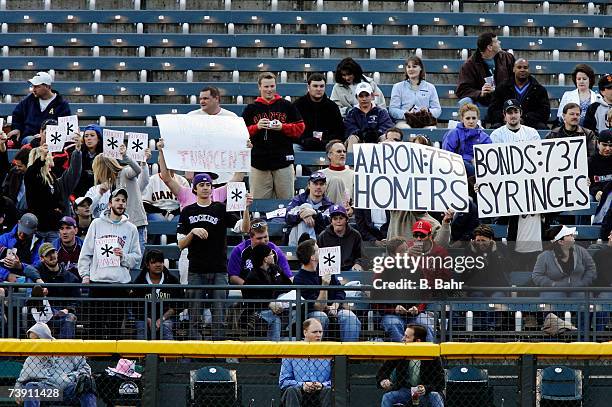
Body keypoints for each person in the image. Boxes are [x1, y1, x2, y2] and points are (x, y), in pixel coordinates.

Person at [177, 173, 252, 339]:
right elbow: (180, 244)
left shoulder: (220, 208)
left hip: (219, 269)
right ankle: (194, 350)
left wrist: (246, 209)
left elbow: (244, 228)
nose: (205, 187)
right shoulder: (187, 211)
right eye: (201, 185)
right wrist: (192, 232)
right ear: (194, 188)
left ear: (212, 188)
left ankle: (217, 351)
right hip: (196, 269)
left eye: (208, 185)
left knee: (219, 315)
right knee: (194, 315)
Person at [78, 188, 142, 339]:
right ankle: (95, 359)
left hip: (120, 284)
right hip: (98, 282)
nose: (120, 203)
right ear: (110, 203)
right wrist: (85, 275)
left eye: (123, 201)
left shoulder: (131, 228)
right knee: (95, 326)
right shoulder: (96, 224)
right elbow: (86, 252)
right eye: (117, 200)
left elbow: (137, 258)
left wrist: (124, 257)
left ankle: (113, 360)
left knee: (115, 326)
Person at [242, 72, 305, 199]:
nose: (269, 90)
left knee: (286, 203)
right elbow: (241, 133)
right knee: (258, 204)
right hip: (259, 162)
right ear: (259, 87)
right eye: (266, 87)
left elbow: (300, 128)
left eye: (272, 86)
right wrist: (257, 127)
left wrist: (283, 127)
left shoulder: (286, 105)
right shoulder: (251, 108)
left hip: (283, 161)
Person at [86, 144, 148, 260]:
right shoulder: (107, 184)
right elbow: (88, 209)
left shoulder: (124, 173)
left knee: (135, 262)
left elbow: (137, 170)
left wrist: (125, 156)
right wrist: (100, 193)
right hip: (119, 227)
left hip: (136, 224)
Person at [293, 239, 361, 342]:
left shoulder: (324, 268)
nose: (321, 252)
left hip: (334, 309)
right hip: (313, 313)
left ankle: (347, 354)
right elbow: (317, 307)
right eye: (318, 250)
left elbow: (340, 291)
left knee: (350, 317)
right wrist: (324, 285)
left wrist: (335, 305)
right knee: (320, 316)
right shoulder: (299, 279)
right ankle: (321, 354)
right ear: (312, 257)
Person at [14, 322, 97, 407]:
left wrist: (72, 377)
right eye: (31, 341)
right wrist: (17, 391)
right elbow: (20, 381)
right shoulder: (32, 358)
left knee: (87, 383)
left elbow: (86, 370)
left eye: (36, 340)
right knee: (31, 387)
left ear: (45, 337)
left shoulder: (66, 348)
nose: (33, 343)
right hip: (49, 392)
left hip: (69, 390)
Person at [374, 237, 436, 342]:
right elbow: (376, 301)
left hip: (415, 314)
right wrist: (394, 309)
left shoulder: (417, 268)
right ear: (393, 255)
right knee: (394, 324)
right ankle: (402, 357)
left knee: (426, 325)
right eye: (402, 251)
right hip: (391, 315)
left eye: (407, 249)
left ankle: (427, 357)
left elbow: (425, 295)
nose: (407, 253)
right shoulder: (382, 270)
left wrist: (418, 308)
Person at [25, 140, 82, 242]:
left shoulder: (54, 179)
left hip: (55, 229)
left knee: (55, 257)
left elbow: (73, 173)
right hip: (38, 231)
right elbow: (31, 173)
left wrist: (77, 152)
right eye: (47, 157)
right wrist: (41, 159)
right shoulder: (32, 177)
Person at [377, 324, 445, 407]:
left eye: (407, 337)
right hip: (405, 390)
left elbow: (440, 383)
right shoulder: (400, 351)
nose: (403, 339)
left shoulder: (432, 355)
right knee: (387, 397)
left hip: (426, 392)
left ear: (417, 341)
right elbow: (383, 371)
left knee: (435, 396)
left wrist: (426, 388)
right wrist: (383, 380)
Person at [26, 243, 80, 339]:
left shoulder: (70, 278)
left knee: (70, 317)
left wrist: (67, 310)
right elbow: (27, 269)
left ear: (57, 253)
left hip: (61, 313)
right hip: (43, 314)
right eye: (48, 254)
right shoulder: (38, 272)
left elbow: (76, 302)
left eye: (53, 252)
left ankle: (64, 352)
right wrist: (41, 286)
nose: (52, 256)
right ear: (42, 259)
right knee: (29, 309)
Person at [242, 244, 292, 341]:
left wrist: (281, 301)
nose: (273, 255)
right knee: (274, 319)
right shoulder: (253, 276)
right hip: (259, 312)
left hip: (281, 307)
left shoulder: (275, 269)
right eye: (270, 254)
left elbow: (288, 285)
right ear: (265, 259)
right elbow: (250, 298)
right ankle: (274, 352)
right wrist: (269, 303)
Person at [6, 72, 71, 147]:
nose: (33, 89)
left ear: (47, 87)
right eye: (33, 86)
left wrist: (44, 136)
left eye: (37, 86)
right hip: (29, 137)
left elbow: (64, 126)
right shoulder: (28, 100)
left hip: (52, 139)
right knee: (30, 140)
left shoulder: (61, 104)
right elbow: (17, 115)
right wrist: (17, 128)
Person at [130, 249, 183, 340]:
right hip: (144, 319)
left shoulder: (173, 281)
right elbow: (136, 308)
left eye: (161, 262)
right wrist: (148, 319)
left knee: (166, 327)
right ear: (147, 265)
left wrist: (161, 319)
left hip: (167, 318)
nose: (158, 265)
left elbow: (178, 306)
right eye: (154, 262)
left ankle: (168, 354)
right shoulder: (139, 282)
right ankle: (142, 354)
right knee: (142, 327)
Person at [532, 225, 596, 298]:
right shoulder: (544, 256)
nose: (573, 236)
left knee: (582, 297)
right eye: (569, 235)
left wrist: (583, 283)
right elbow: (537, 276)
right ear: (561, 241)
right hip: (553, 290)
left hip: (579, 289)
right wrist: (553, 284)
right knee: (554, 297)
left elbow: (591, 268)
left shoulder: (581, 251)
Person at [279, 318, 332, 407]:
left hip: (321, 392)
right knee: (291, 390)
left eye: (320, 332)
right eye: (315, 332)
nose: (318, 335)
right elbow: (283, 381)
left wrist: (322, 385)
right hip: (299, 391)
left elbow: (337, 381)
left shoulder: (330, 351)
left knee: (329, 390)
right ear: (305, 333)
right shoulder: (291, 351)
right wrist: (302, 385)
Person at [487, 58, 550, 129]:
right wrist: (505, 117)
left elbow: (544, 112)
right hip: (505, 124)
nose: (522, 70)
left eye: (525, 67)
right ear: (514, 69)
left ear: (529, 70)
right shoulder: (502, 88)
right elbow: (493, 110)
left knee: (542, 127)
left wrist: (525, 118)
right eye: (519, 67)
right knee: (495, 127)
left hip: (531, 125)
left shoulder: (539, 89)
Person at [456, 32, 515, 107]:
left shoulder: (507, 58)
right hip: (482, 101)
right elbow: (462, 90)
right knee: (465, 102)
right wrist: (480, 93)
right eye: (496, 41)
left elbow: (515, 80)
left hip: (504, 99)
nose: (499, 42)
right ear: (490, 47)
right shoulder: (469, 65)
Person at [227, 219, 292, 286]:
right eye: (259, 238)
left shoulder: (275, 251)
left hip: (273, 291)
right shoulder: (239, 250)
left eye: (265, 237)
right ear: (251, 237)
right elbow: (233, 277)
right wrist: (249, 288)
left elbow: (288, 276)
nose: (263, 241)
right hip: (247, 290)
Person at [293, 73, 344, 152]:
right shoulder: (298, 105)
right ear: (308, 87)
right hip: (303, 143)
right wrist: (304, 140)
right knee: (294, 148)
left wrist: (325, 142)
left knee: (338, 149)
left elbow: (339, 131)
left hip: (327, 144)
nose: (319, 89)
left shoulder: (332, 107)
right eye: (315, 86)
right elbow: (292, 129)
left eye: (321, 86)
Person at [389, 56, 442, 129]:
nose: (411, 69)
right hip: (404, 121)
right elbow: (393, 109)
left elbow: (437, 110)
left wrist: (428, 111)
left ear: (420, 68)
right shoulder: (398, 87)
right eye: (409, 67)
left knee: (431, 129)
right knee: (405, 128)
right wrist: (406, 114)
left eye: (414, 66)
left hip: (424, 121)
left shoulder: (430, 87)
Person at [441, 103, 491, 177]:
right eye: (468, 118)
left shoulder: (484, 137)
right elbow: (447, 155)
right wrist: (469, 160)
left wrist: (477, 161)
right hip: (456, 169)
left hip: (479, 170)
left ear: (478, 119)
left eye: (474, 118)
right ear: (462, 119)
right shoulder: (453, 133)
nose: (471, 121)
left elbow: (489, 158)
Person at [285, 171, 334, 246]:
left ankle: (306, 249)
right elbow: (288, 216)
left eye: (321, 184)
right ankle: (309, 249)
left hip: (318, 237)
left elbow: (328, 221)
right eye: (315, 184)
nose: (318, 187)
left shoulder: (328, 204)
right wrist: (303, 215)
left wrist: (314, 213)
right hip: (296, 235)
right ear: (309, 185)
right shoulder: (299, 199)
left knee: (305, 209)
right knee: (304, 208)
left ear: (325, 186)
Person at [344, 82, 394, 150]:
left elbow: (387, 127)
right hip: (358, 140)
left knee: (385, 138)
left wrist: (377, 133)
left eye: (367, 95)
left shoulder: (381, 111)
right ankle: (351, 160)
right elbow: (349, 127)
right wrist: (361, 134)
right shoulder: (352, 113)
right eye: (361, 96)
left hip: (377, 140)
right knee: (352, 138)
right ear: (356, 97)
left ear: (372, 96)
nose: (364, 99)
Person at [317, 205, 367, 271]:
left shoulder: (355, 235)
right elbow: (317, 256)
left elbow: (361, 256)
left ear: (346, 220)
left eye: (341, 218)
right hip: (329, 270)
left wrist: (358, 264)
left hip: (350, 269)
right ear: (331, 221)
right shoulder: (323, 236)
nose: (338, 221)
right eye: (335, 218)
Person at [0, 213, 44, 280]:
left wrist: (20, 266)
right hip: (4, 280)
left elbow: (39, 266)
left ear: (34, 230)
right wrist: (7, 275)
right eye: (21, 230)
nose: (22, 234)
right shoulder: (4, 238)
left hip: (27, 280)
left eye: (26, 232)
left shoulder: (39, 243)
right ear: (18, 223)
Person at [319, 140, 354, 206]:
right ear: (329, 155)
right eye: (339, 151)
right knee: (335, 180)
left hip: (347, 211)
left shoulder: (354, 175)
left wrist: (352, 209)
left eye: (344, 151)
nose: (342, 154)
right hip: (326, 211)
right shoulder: (320, 174)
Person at [73, 124, 103, 198]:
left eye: (92, 135)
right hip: (80, 195)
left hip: (100, 194)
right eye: (86, 136)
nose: (89, 138)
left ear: (98, 138)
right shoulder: (79, 152)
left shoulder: (105, 155)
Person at [1, 147, 30, 218]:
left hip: (28, 214)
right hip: (13, 211)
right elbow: (5, 191)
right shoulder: (14, 172)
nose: (17, 168)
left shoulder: (38, 178)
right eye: (16, 165)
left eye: (20, 166)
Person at [589, 129, 612, 203]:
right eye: (604, 145)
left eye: (611, 145)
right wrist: (596, 192)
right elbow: (589, 182)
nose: (607, 149)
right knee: (589, 199)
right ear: (598, 144)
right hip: (596, 194)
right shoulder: (591, 161)